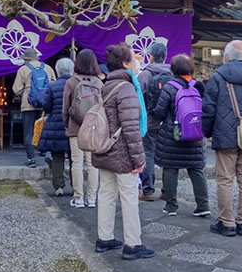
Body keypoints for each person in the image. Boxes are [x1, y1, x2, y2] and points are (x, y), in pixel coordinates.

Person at [92, 42, 155, 260]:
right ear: (125, 63)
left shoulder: (105, 85)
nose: (137, 61)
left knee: (106, 194)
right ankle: (133, 244)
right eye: (134, 58)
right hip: (123, 152)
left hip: (104, 148)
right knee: (129, 198)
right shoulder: (127, 88)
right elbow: (131, 128)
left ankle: (104, 238)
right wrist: (139, 159)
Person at [202, 39, 242, 237]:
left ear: (226, 56)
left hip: (225, 134)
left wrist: (207, 132)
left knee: (225, 179)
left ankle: (226, 222)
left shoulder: (217, 77)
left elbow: (208, 109)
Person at [154, 54, 210, 217]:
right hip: (196, 134)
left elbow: (160, 112)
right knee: (196, 169)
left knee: (170, 169)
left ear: (173, 69)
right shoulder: (199, 86)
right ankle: (203, 205)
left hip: (173, 135)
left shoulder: (169, 87)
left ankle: (171, 206)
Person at [63, 48, 102, 208]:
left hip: (75, 127)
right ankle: (91, 198)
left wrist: (67, 125)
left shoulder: (71, 82)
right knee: (92, 164)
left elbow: (65, 108)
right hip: (93, 129)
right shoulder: (99, 83)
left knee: (77, 163)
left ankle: (78, 197)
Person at [137, 41, 171, 201]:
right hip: (168, 122)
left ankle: (148, 191)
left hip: (149, 122)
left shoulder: (145, 75)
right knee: (167, 156)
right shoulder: (172, 74)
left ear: (150, 57)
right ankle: (167, 191)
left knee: (148, 154)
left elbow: (138, 99)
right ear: (165, 57)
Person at [13, 47, 55, 167]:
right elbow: (53, 84)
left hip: (28, 104)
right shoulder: (48, 68)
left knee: (29, 132)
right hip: (45, 104)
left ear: (26, 59)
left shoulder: (23, 69)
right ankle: (47, 152)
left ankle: (31, 159)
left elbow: (16, 89)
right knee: (45, 129)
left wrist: (26, 92)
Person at [39, 58, 74, 195]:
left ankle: (58, 187)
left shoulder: (52, 86)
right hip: (72, 125)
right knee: (74, 158)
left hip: (55, 124)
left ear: (57, 70)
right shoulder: (76, 84)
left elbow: (47, 107)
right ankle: (75, 186)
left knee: (57, 157)